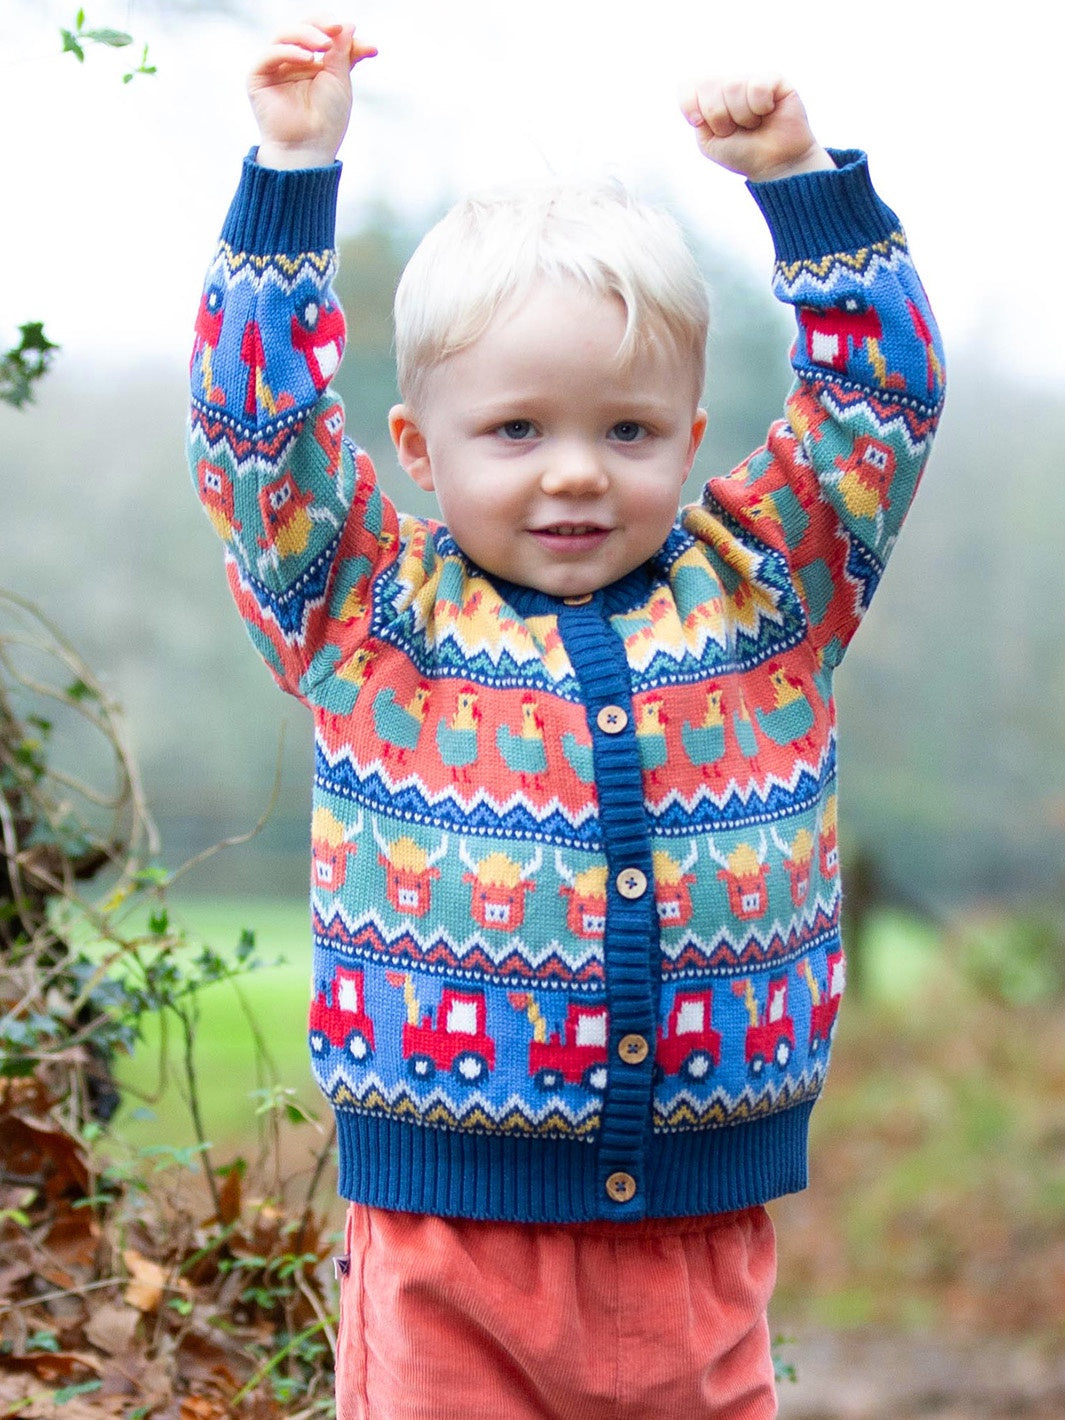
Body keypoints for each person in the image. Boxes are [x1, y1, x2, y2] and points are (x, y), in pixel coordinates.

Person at [186, 19, 944, 1419]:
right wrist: (293, 169)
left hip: (698, 1248)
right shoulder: (364, 611)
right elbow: (256, 441)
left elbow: (874, 400)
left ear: (690, 432)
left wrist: (795, 177)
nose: (576, 476)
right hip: (447, 1251)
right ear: (417, 450)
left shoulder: (767, 589)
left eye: (630, 431)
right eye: (517, 431)